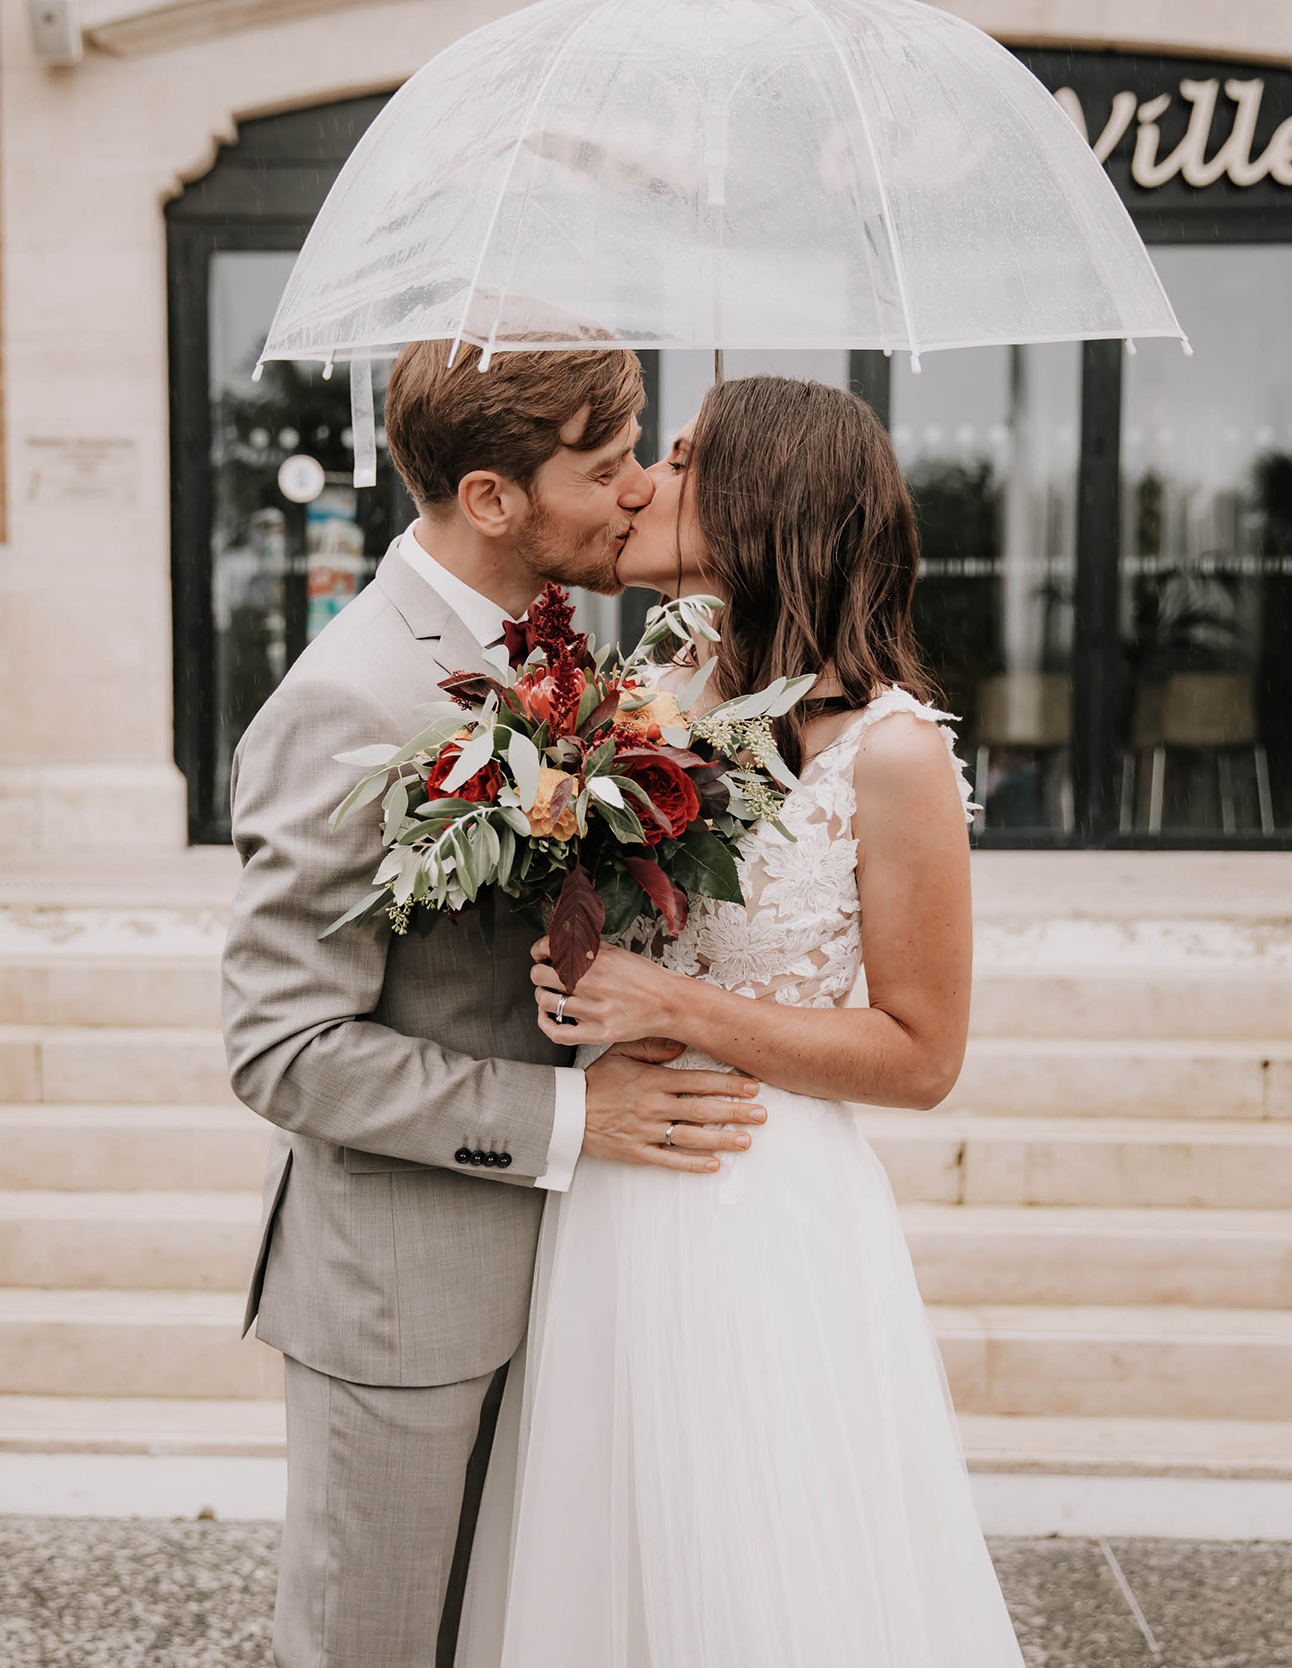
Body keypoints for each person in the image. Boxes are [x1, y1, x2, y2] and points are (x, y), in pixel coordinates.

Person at [455, 375, 1026, 1668]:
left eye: (687, 456)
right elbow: (615, 936)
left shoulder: (890, 753)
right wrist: (574, 961)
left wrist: (674, 1000)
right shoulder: (640, 703)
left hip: (760, 1208)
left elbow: (923, 1055)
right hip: (607, 1198)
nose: (646, 478)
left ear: (768, 499)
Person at [221, 340, 768, 1668]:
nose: (641, 490)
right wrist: (570, 1120)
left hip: (583, 1281)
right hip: (409, 1303)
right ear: (491, 499)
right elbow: (285, 1049)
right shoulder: (350, 696)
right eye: (606, 464)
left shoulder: (574, 658)